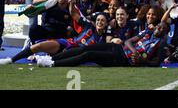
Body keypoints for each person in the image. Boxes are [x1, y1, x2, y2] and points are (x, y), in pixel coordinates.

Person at [0, 5, 108, 65]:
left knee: (54, 58)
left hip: (76, 53)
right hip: (68, 43)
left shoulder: (105, 38)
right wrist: (71, 3)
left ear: (106, 23)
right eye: (98, 20)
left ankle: (42, 58)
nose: (99, 22)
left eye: (102, 21)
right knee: (38, 46)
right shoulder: (89, 26)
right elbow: (74, 14)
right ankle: (11, 60)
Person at [35, 22, 169, 68]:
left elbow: (156, 63)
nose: (159, 28)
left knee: (89, 55)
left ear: (165, 33)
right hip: (120, 48)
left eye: (162, 28)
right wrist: (135, 51)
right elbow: (128, 41)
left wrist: (142, 60)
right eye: (158, 26)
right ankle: (52, 58)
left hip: (123, 60)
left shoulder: (161, 43)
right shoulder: (147, 33)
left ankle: (53, 64)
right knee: (84, 48)